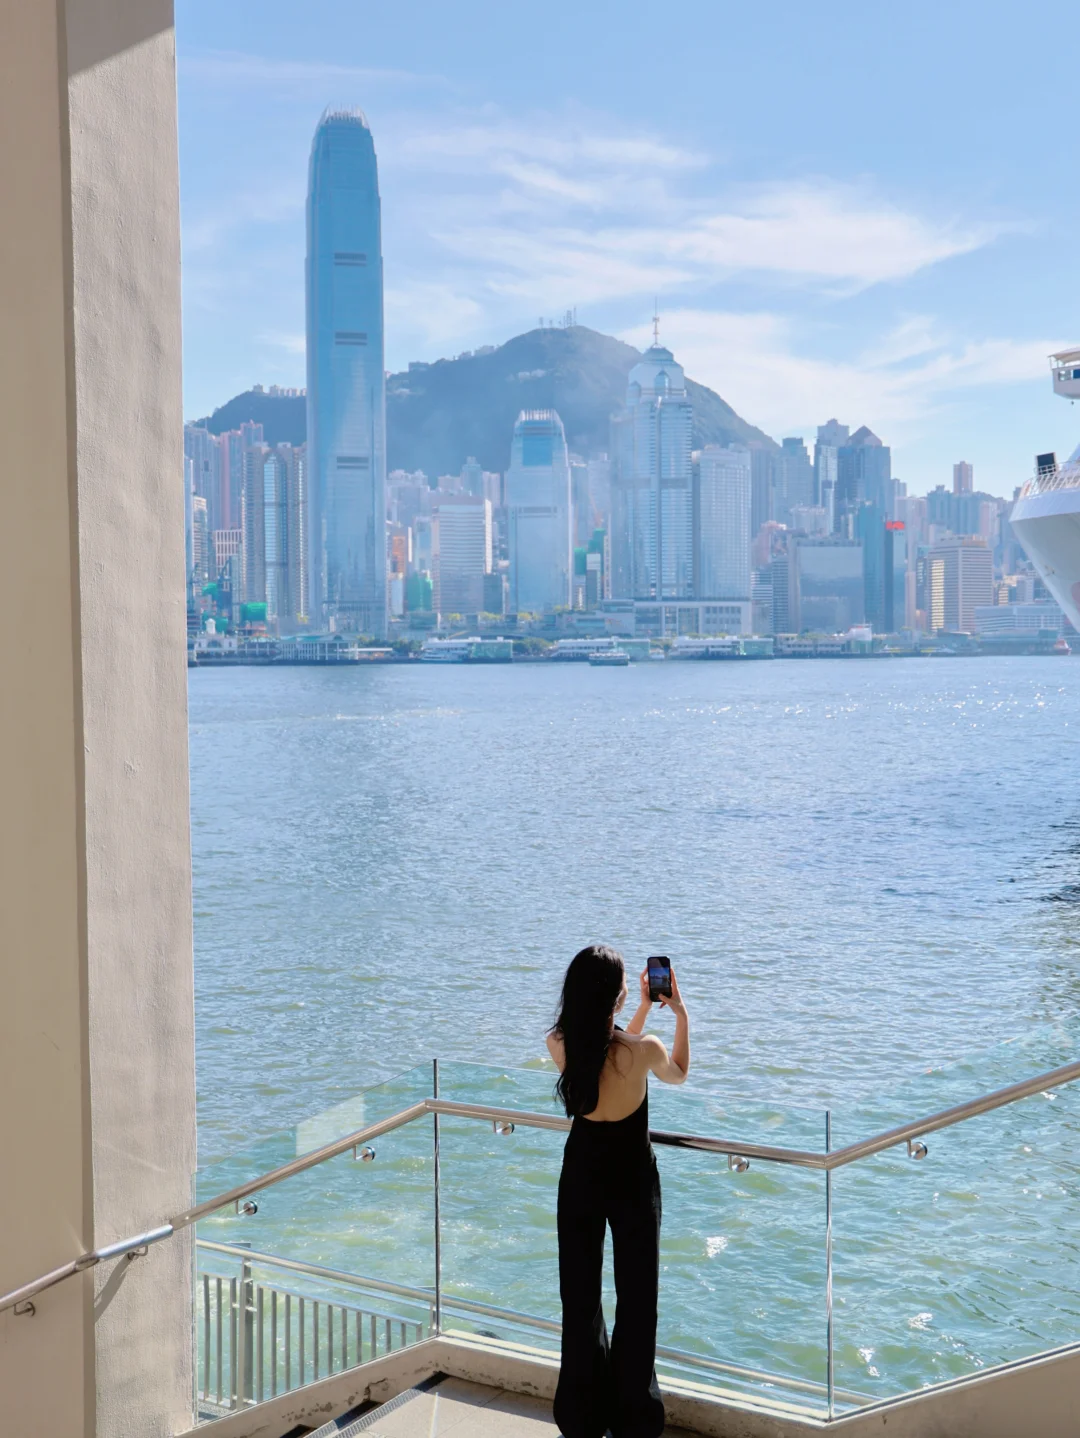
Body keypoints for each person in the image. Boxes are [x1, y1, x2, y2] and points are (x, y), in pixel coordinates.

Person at [546, 944, 691, 1438]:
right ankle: (633, 1418)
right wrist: (680, 1013)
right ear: (618, 995)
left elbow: (603, 1049)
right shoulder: (644, 1049)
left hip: (581, 1175)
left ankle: (582, 1417)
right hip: (631, 1179)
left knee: (579, 1297)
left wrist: (641, 1010)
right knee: (637, 1298)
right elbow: (678, 1071)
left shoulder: (560, 1043)